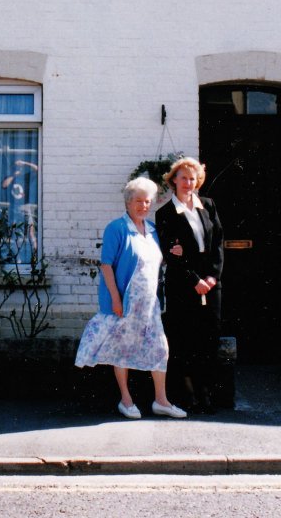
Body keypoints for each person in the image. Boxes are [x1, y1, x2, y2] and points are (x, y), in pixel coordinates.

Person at [75, 177, 187, 420]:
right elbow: (106, 265)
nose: (143, 206)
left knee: (160, 348)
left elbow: (155, 262)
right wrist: (115, 299)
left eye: (147, 202)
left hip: (149, 304)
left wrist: (172, 253)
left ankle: (161, 401)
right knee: (121, 349)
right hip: (125, 302)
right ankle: (126, 400)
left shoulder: (153, 231)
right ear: (128, 202)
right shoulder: (116, 228)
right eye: (138, 201)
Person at [156, 156, 224, 414]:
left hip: (210, 286)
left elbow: (217, 244)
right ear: (174, 180)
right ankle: (187, 395)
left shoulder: (208, 206)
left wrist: (212, 277)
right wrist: (194, 279)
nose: (188, 182)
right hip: (183, 286)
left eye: (192, 178)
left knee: (208, 340)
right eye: (183, 177)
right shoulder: (164, 213)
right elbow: (171, 254)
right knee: (183, 340)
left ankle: (206, 394)